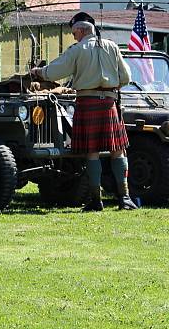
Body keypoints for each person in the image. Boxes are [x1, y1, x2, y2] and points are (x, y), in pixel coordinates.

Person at [29, 12, 137, 211]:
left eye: (74, 33)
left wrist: (38, 72)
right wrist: (111, 87)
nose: (73, 36)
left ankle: (97, 201)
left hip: (87, 102)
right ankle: (125, 199)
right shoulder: (112, 46)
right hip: (110, 104)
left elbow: (54, 72)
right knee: (118, 151)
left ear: (81, 30)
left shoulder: (78, 49)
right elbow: (127, 77)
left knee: (92, 152)